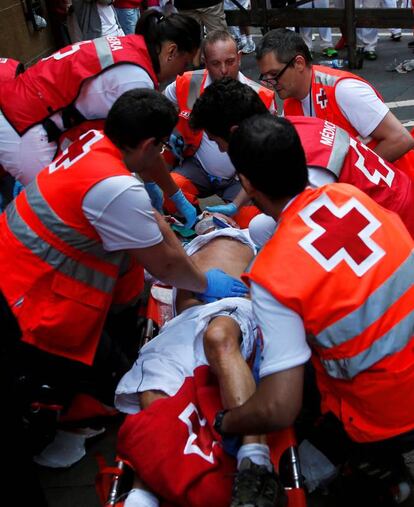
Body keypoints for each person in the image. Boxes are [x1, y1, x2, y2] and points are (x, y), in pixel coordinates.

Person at [0, 90, 248, 453]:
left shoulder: (96, 142)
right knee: (119, 388)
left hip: (19, 276)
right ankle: (44, 401)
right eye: (162, 147)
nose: (163, 155)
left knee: (125, 371)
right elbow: (163, 264)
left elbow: (151, 215)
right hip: (29, 310)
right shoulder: (117, 188)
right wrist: (203, 281)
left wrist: (174, 208)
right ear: (149, 144)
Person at [214, 113, 414, 490]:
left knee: (289, 400)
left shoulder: (275, 274)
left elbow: (279, 407)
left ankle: (373, 465)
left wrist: (228, 420)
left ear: (246, 183)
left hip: (387, 416)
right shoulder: (351, 195)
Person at [115, 216, 285, 507]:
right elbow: (150, 260)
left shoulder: (250, 236)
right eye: (203, 216)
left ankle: (254, 461)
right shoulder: (181, 251)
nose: (207, 218)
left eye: (213, 216)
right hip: (183, 322)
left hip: (232, 307)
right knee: (155, 385)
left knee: (219, 338)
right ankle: (146, 492)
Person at [0, 10, 200, 230]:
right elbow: (144, 151)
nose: (181, 74)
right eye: (185, 64)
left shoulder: (132, 47)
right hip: (23, 124)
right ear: (171, 51)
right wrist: (176, 196)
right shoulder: (136, 78)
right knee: (66, 220)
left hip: (22, 111)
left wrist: (152, 185)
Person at [189, 78, 414, 239]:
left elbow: (321, 242)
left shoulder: (302, 170)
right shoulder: (297, 126)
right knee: (258, 226)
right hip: (391, 207)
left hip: (397, 230)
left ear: (235, 132)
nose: (221, 151)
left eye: (218, 142)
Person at [255, 29, 414, 175]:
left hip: (396, 189)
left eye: (274, 74)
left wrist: (352, 178)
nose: (271, 83)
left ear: (299, 63)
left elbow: (401, 139)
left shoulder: (344, 90)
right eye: (265, 77)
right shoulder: (290, 100)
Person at [161, 30, 276, 227]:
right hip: (197, 167)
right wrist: (168, 137)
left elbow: (267, 160)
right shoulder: (188, 82)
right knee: (169, 192)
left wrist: (239, 201)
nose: (224, 70)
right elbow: (160, 105)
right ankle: (193, 221)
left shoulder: (261, 97)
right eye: (215, 63)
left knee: (253, 221)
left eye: (230, 62)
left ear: (239, 58)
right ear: (205, 62)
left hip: (239, 179)